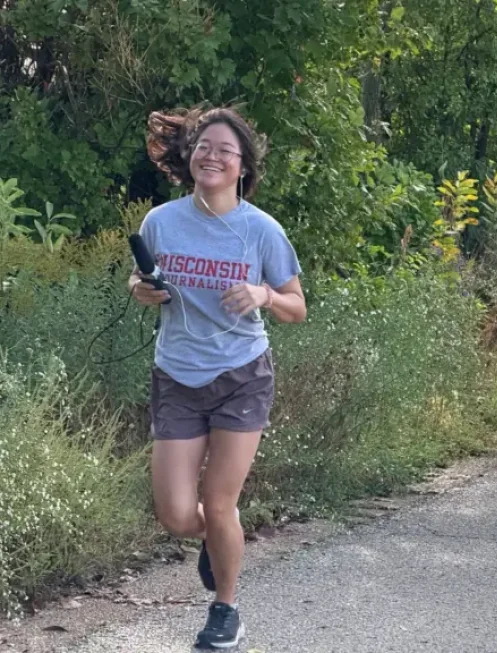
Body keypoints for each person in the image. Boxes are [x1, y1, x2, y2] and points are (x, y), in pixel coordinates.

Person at [130, 105, 306, 649]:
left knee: (220, 499)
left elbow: (296, 306)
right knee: (177, 513)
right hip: (177, 376)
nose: (213, 155)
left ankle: (225, 612)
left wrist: (264, 294)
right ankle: (220, 540)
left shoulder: (261, 231)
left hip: (241, 376)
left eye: (226, 150)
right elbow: (140, 282)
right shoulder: (160, 222)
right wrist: (142, 290)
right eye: (205, 145)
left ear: (242, 167)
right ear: (190, 155)